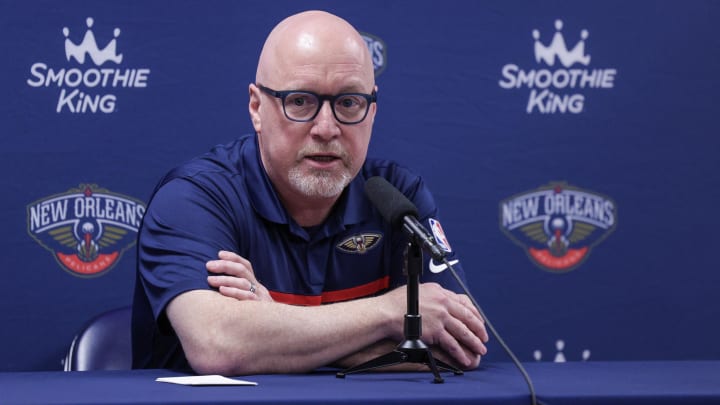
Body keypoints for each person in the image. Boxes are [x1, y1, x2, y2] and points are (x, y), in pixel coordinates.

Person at [132, 10, 488, 376]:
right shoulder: (195, 200)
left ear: (373, 109)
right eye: (300, 101)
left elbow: (457, 349)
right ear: (257, 108)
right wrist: (389, 313)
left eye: (349, 102)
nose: (326, 128)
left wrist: (276, 326)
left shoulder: (400, 200)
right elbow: (220, 345)